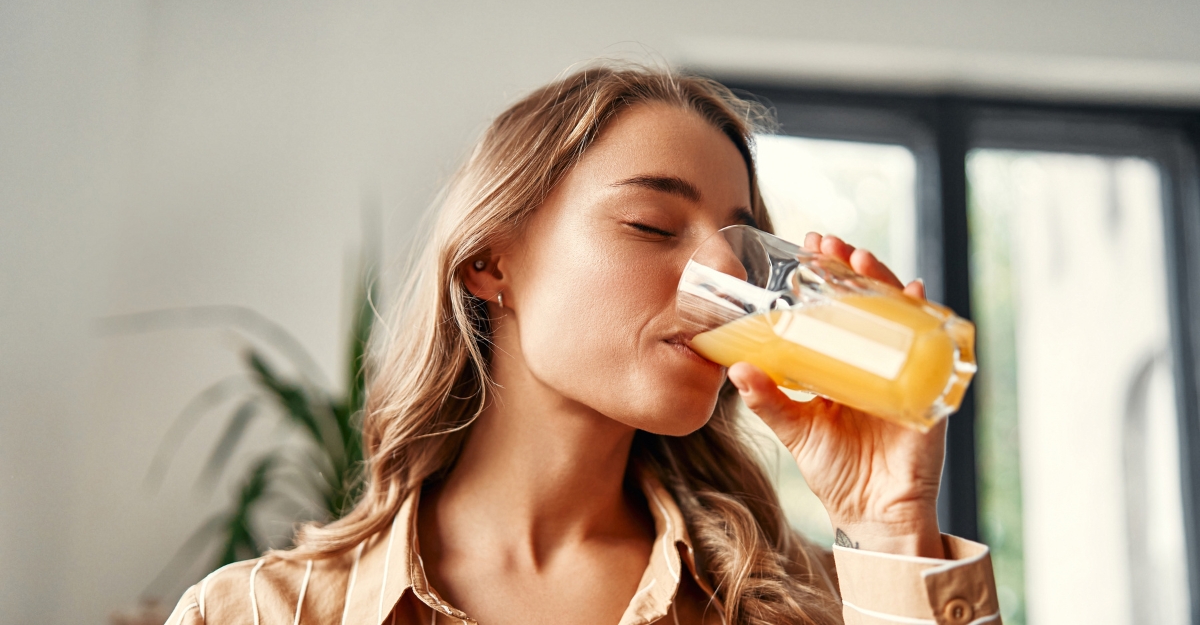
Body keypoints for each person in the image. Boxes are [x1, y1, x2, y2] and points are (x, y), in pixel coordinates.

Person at [166, 64, 999, 625]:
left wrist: (892, 528)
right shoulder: (256, 613)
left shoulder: (814, 604)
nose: (719, 276)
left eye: (742, 243)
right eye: (649, 225)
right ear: (492, 261)